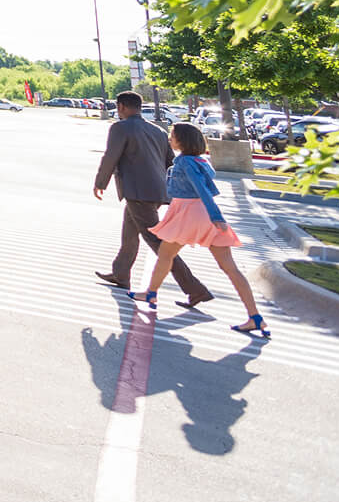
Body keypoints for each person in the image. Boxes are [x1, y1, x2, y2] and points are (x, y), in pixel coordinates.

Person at [129, 122, 268, 336]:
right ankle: (255, 317)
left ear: (182, 140)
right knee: (230, 268)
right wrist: (215, 217)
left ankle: (151, 293)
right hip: (201, 214)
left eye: (172, 136)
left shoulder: (185, 162)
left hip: (189, 215)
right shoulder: (200, 160)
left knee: (165, 255)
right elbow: (207, 189)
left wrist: (216, 217)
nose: (169, 139)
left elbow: (202, 189)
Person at [93, 90, 212, 306]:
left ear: (121, 107)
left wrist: (100, 183)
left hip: (138, 192)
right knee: (129, 231)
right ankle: (120, 274)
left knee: (158, 243)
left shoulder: (120, 128)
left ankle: (195, 289)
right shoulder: (157, 130)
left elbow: (111, 156)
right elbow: (170, 162)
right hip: (157, 191)